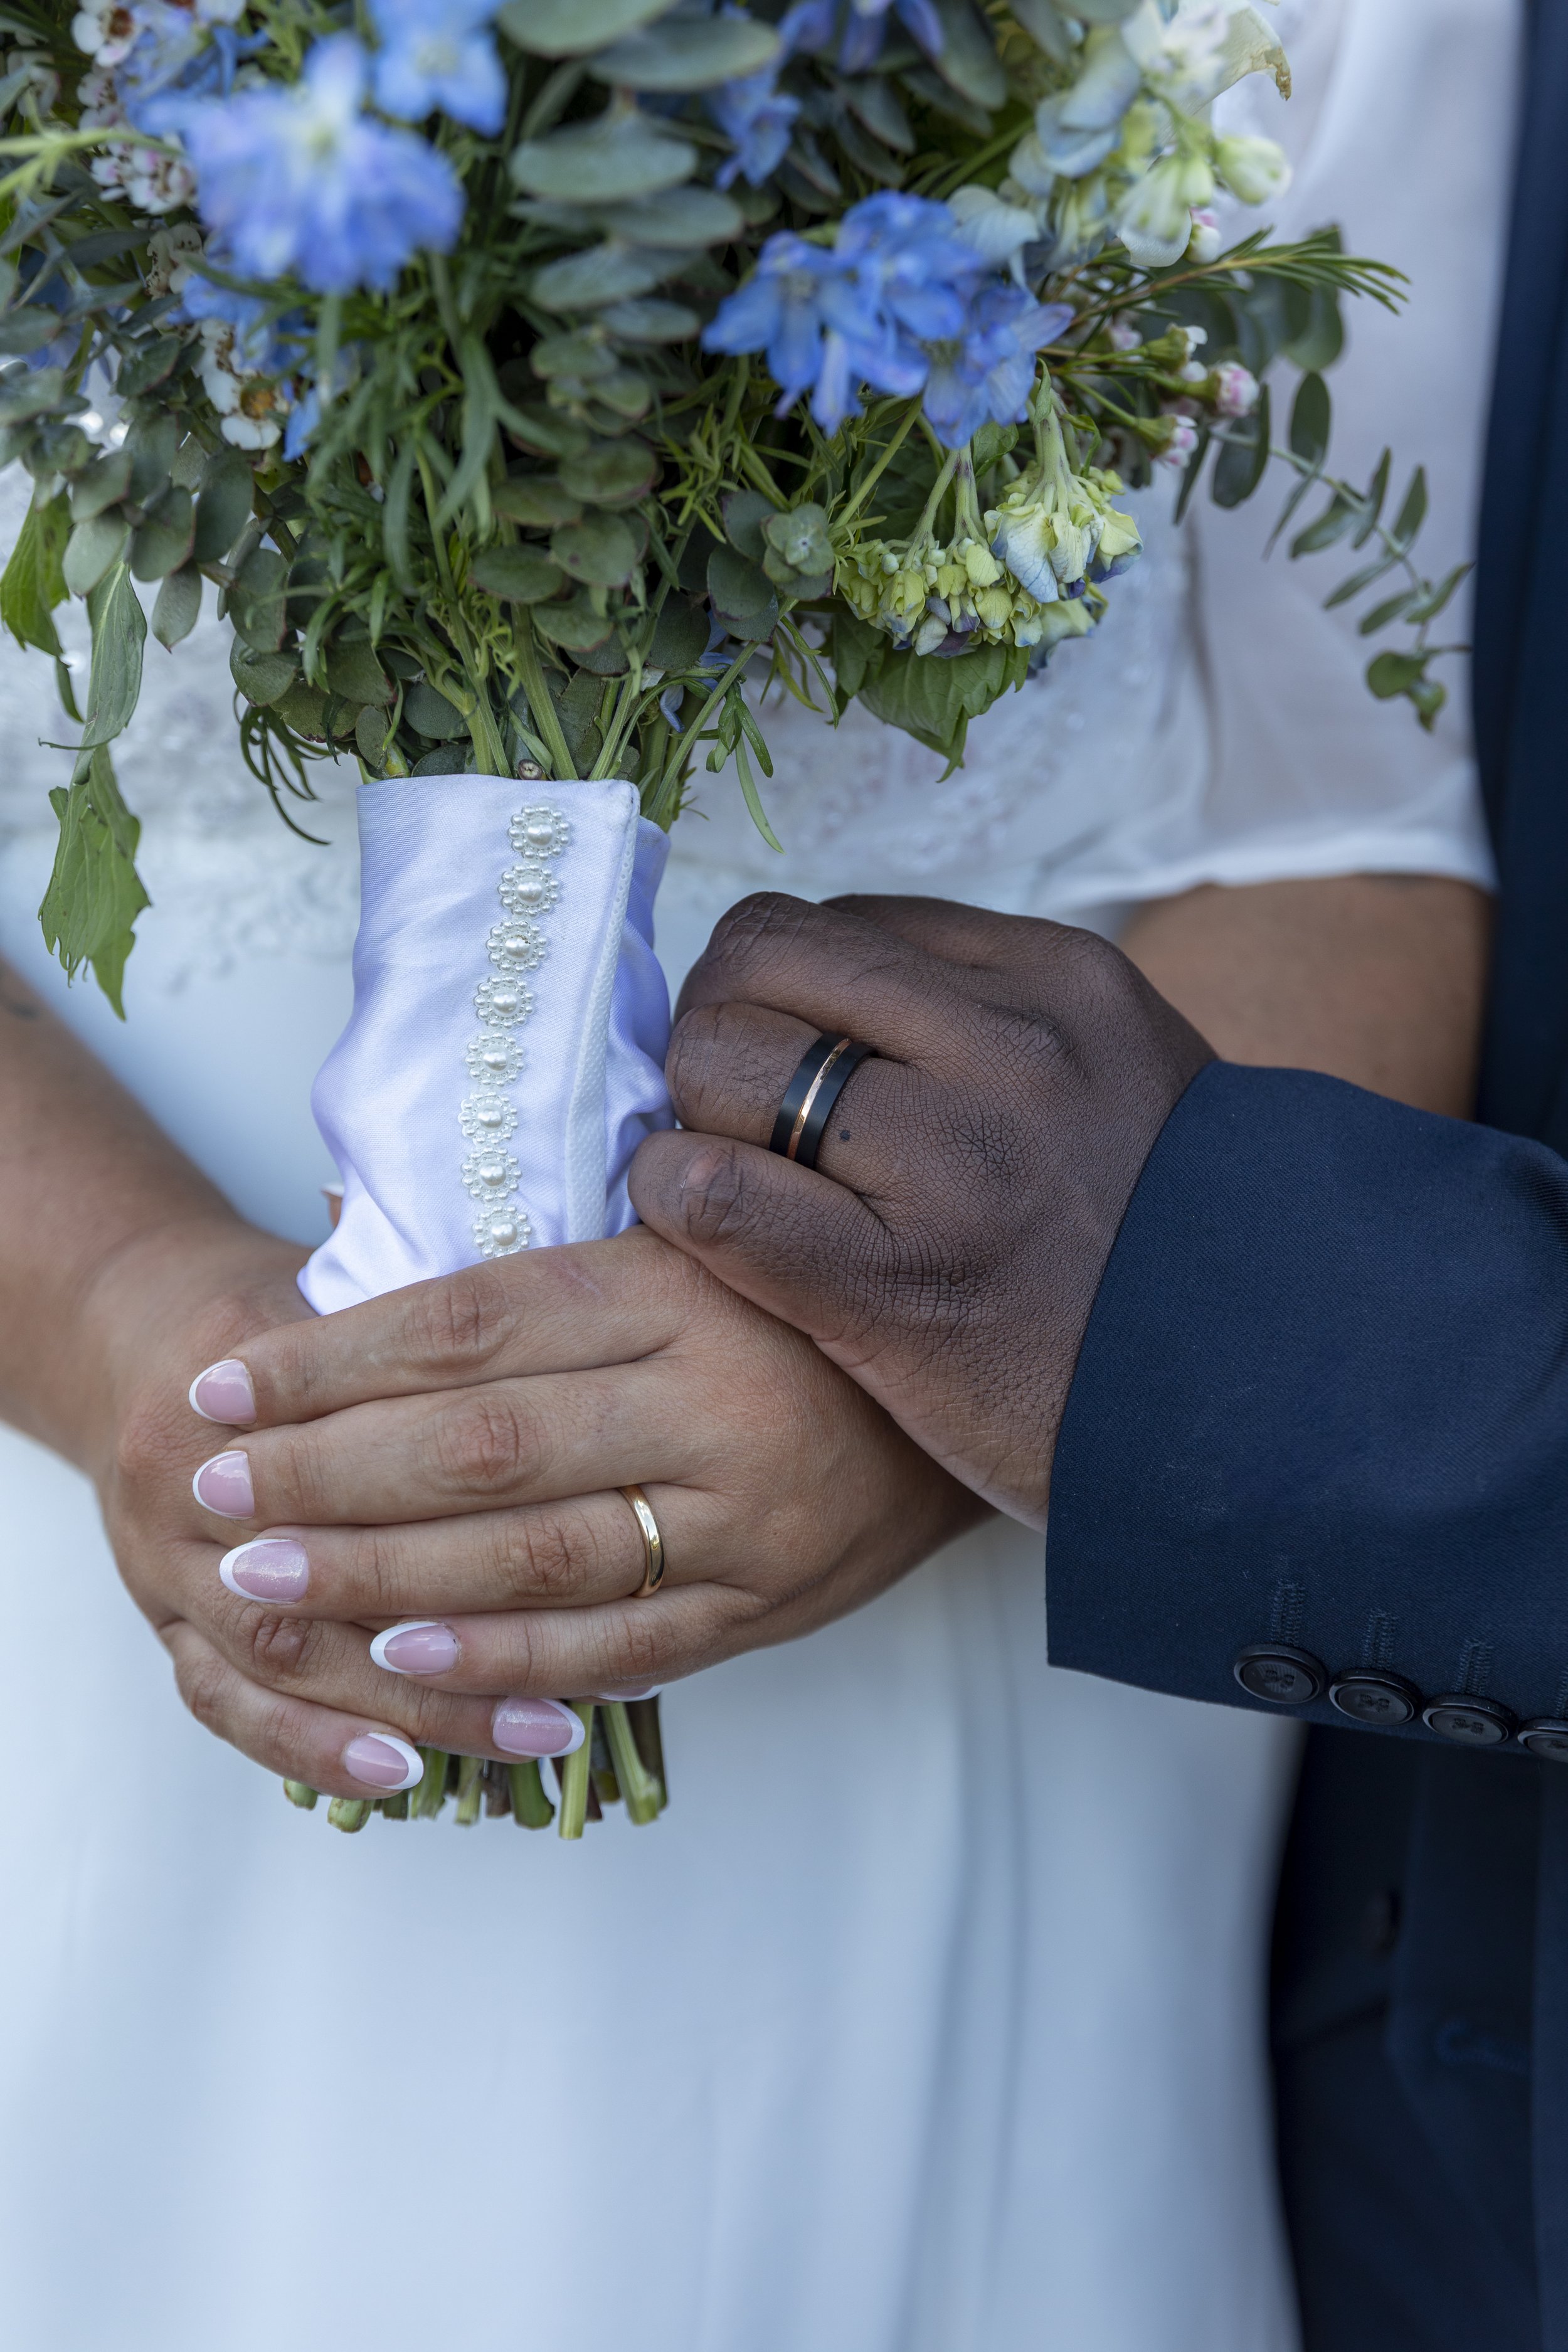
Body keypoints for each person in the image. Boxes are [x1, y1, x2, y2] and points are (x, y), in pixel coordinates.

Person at [0, 7, 1513, 2351]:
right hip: (100, 1454)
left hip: (959, 1530)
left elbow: (1356, 837)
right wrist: (127, 1337)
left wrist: (923, 1394)